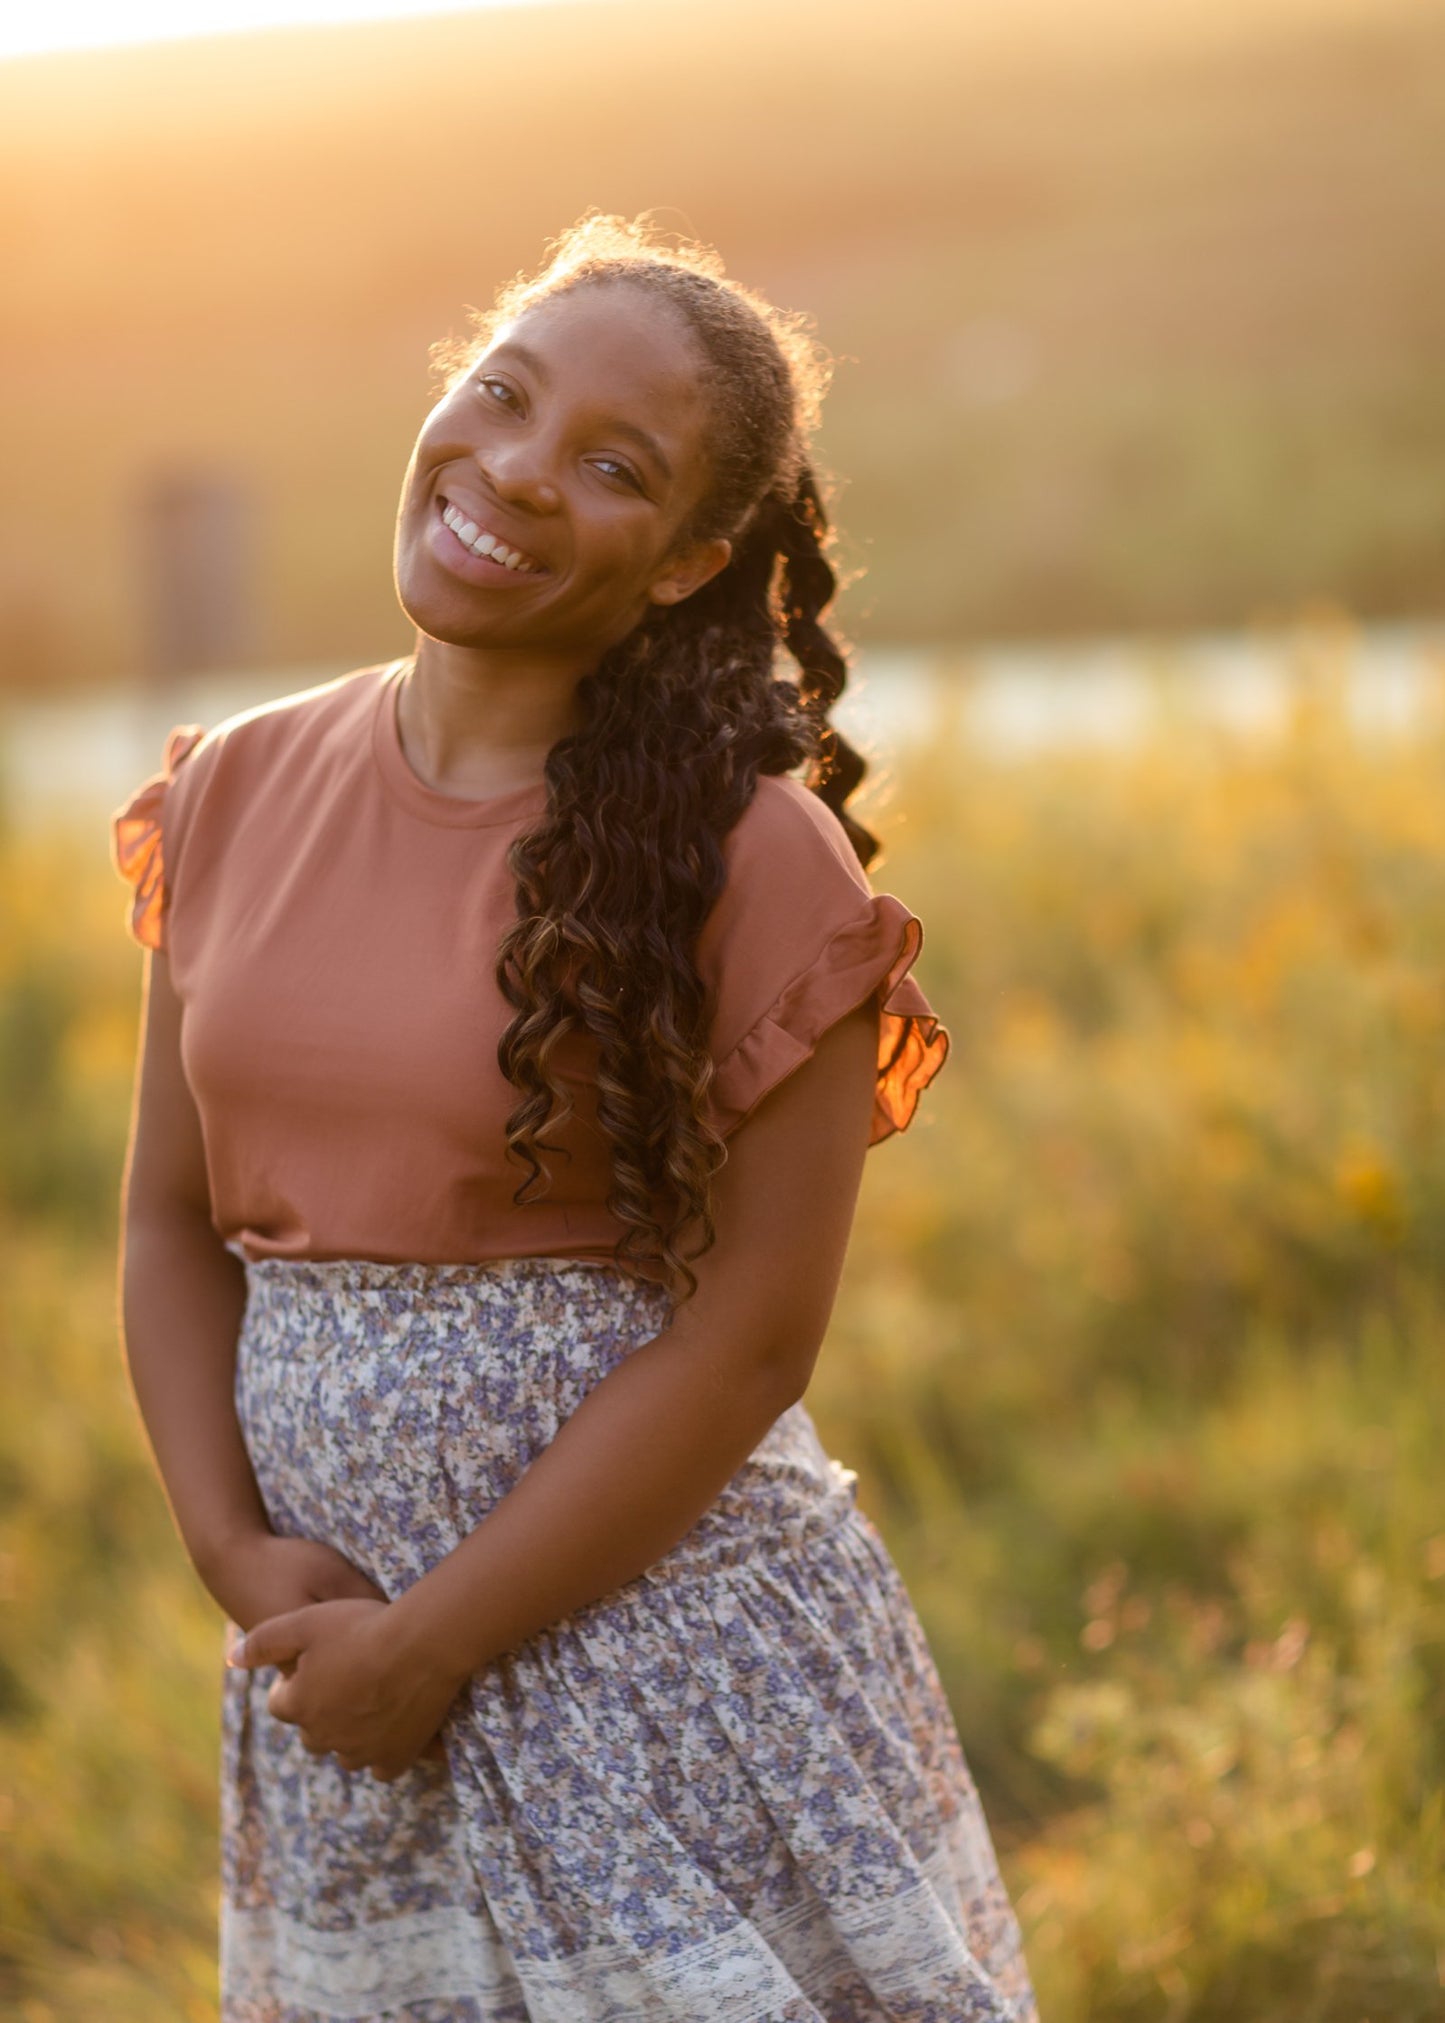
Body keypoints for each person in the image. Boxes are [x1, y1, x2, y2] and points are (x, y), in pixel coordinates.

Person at [111, 211, 1038, 2023]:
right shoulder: (230, 787)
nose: (514, 475)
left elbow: (752, 1340)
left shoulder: (752, 857)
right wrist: (240, 1554)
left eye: (609, 468)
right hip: (341, 1677)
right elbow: (164, 1221)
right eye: (499, 397)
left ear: (693, 556)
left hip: (655, 1663)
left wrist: (436, 1641)